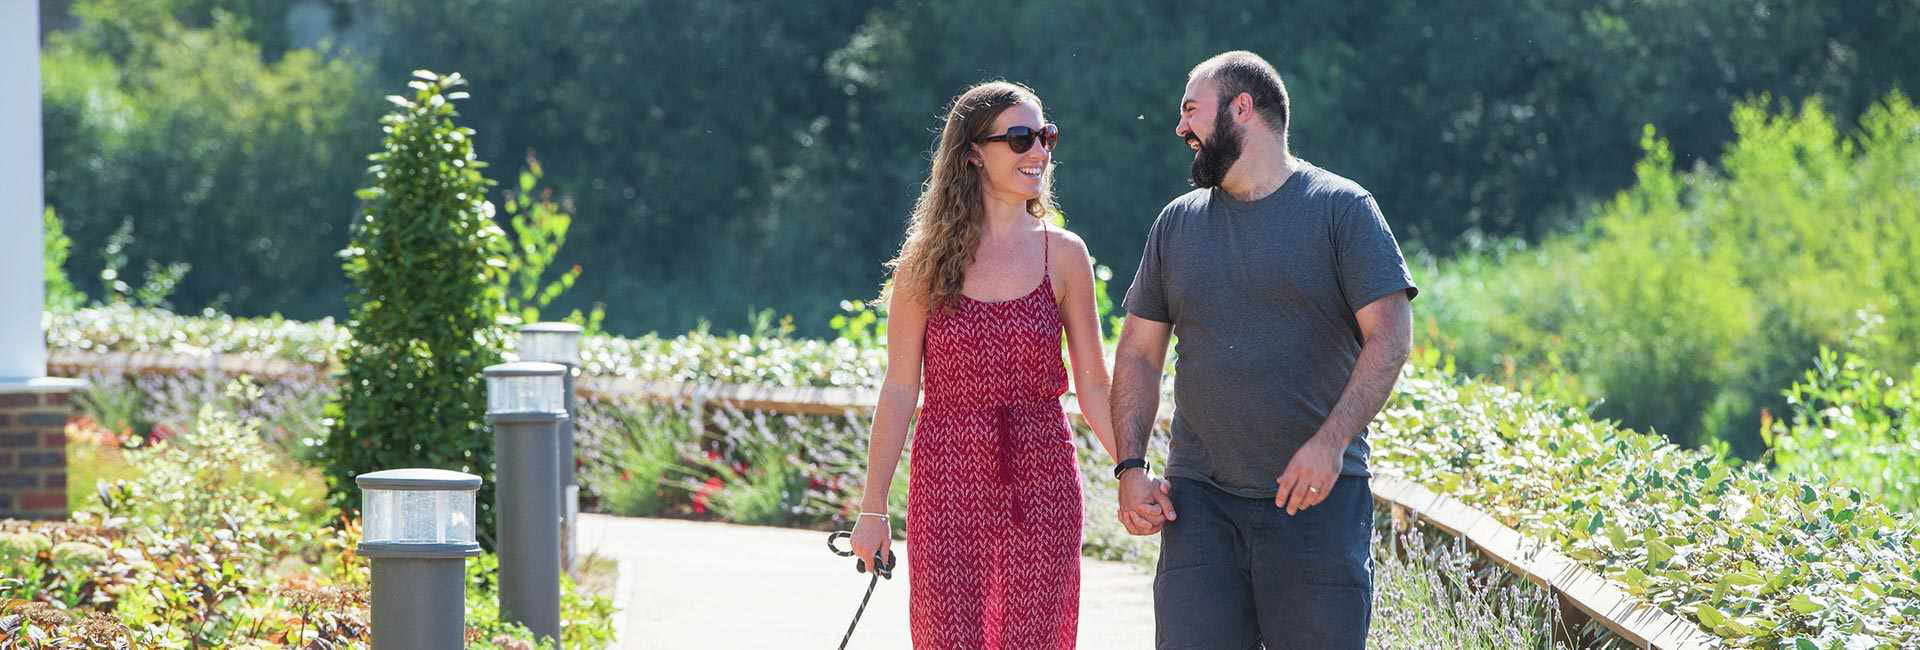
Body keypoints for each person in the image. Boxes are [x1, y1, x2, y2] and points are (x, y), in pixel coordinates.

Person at [1109, 50, 1419, 649]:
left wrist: (1330, 445)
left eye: (1191, 111)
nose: (1180, 129)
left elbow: (1391, 337)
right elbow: (1139, 356)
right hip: (1198, 504)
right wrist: (1130, 467)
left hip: (1317, 501)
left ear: (1242, 109)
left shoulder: (1342, 209)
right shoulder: (1176, 224)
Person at [847, 80, 1130, 648]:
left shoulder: (1065, 254)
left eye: (1045, 136)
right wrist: (872, 508)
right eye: (1021, 138)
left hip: (1044, 480)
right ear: (974, 151)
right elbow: (900, 388)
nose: (1039, 152)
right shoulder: (923, 263)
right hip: (946, 479)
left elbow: (1093, 384)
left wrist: (1133, 470)